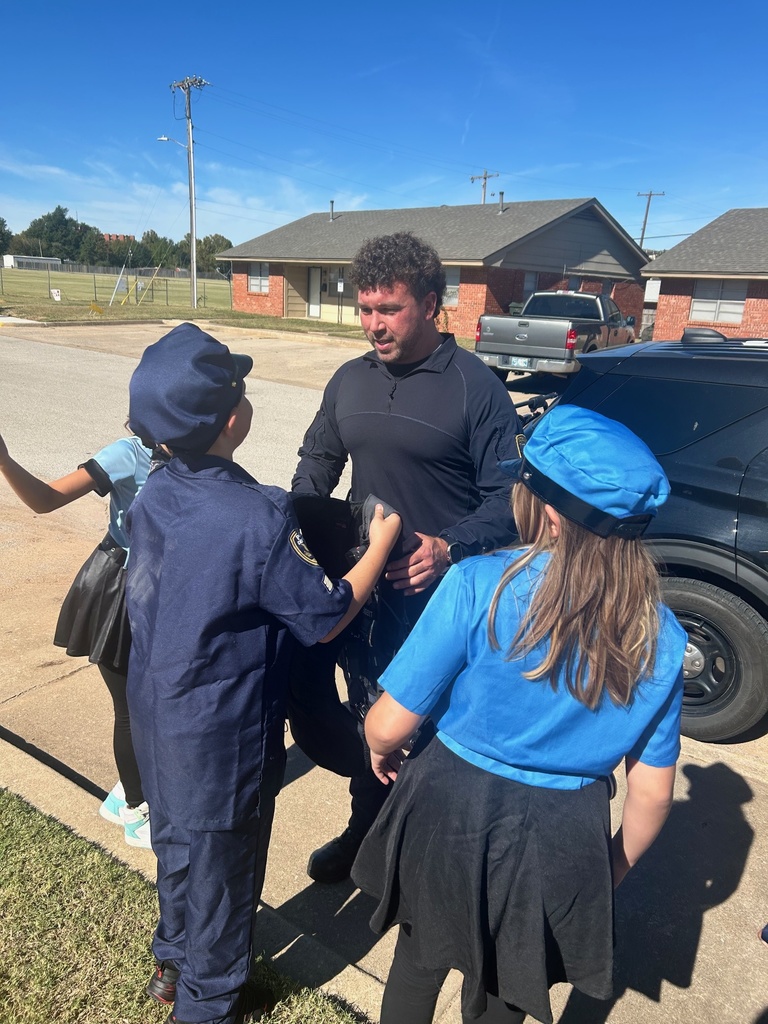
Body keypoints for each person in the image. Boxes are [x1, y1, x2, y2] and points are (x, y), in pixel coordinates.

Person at [350, 404, 688, 1024]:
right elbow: (652, 793)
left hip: (448, 805)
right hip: (565, 832)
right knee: (510, 987)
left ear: (550, 514)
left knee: (418, 960)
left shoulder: (480, 583)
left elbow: (388, 724)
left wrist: (378, 744)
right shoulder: (660, 636)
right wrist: (609, 869)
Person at [123, 322, 401, 1024]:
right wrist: (382, 542)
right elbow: (325, 614)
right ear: (230, 420)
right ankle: (207, 1004)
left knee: (177, 848)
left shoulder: (154, 491)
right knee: (224, 871)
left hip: (157, 715)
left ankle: (172, 961)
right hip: (223, 739)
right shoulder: (258, 515)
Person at [291, 230, 523, 883]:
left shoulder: (476, 388)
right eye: (365, 309)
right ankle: (366, 832)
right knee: (367, 721)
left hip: (440, 601)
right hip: (361, 591)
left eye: (388, 310)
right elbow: (316, 464)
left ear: (429, 304)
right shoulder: (350, 379)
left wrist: (449, 548)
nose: (374, 325)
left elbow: (512, 499)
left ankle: (427, 858)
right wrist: (302, 533)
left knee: (432, 733)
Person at [0, 427, 153, 849]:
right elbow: (46, 499)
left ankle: (124, 791)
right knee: (132, 708)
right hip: (118, 590)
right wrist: (5, 461)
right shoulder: (128, 454)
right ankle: (137, 810)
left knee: (148, 705)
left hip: (153, 589)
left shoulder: (189, 451)